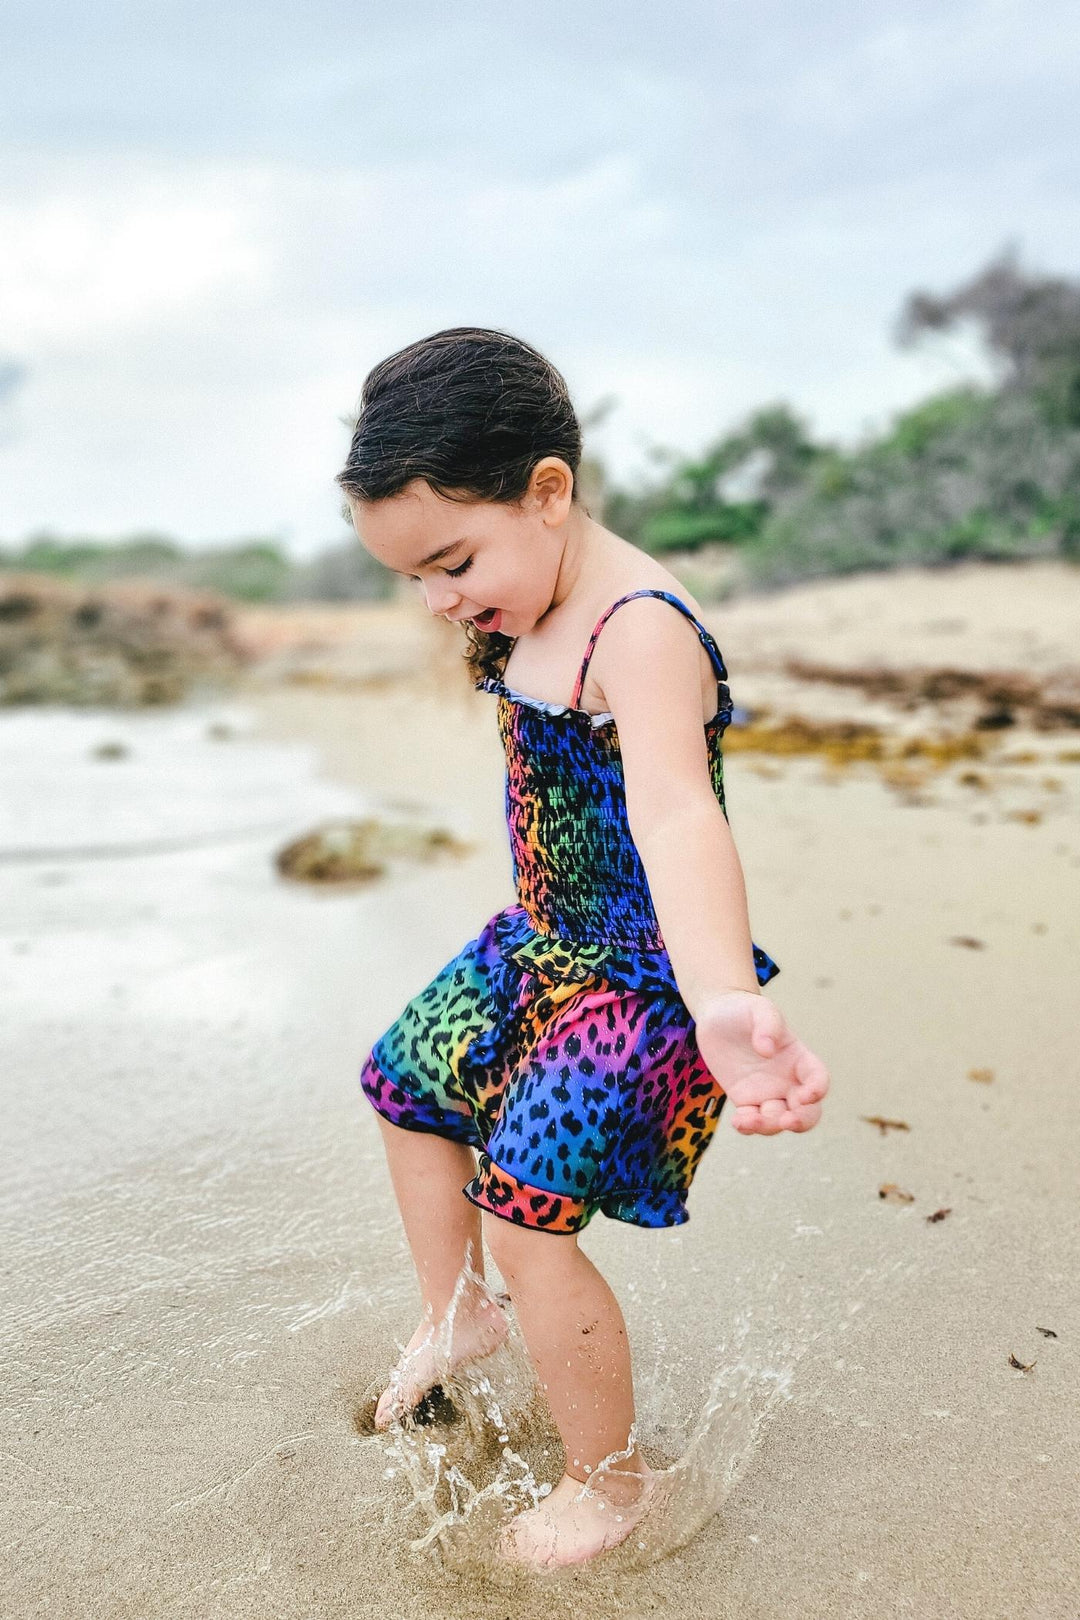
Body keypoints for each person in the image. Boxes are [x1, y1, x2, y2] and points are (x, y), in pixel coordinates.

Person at [336, 327, 830, 1570]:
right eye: (416, 580)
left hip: (641, 984)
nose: (444, 599)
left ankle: (611, 1483)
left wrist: (721, 999)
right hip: (543, 949)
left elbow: (676, 814)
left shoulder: (642, 628)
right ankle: (454, 1320)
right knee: (406, 1080)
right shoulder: (530, 601)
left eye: (452, 561)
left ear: (547, 491)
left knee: (528, 1217)